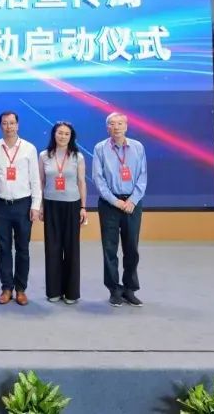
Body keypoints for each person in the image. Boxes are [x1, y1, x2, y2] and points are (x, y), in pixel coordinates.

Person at [92, 112, 147, 307]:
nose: (116, 127)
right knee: (110, 249)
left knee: (131, 248)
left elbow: (142, 176)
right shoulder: (100, 148)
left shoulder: (138, 147)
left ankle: (130, 289)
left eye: (120, 123)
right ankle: (114, 289)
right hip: (109, 204)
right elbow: (98, 179)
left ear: (126, 126)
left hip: (132, 204)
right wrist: (115, 201)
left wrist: (132, 200)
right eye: (112, 124)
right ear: (107, 128)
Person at [0, 111, 40, 306]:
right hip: (0, 205)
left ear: (17, 125)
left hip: (23, 205)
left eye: (12, 123)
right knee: (4, 249)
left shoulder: (29, 148)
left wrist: (35, 205)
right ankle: (6, 288)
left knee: (22, 248)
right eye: (5, 123)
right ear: (0, 125)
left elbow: (35, 179)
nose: (8, 126)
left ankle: (21, 289)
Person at [37, 121, 87, 305]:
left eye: (67, 134)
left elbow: (81, 182)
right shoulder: (44, 155)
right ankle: (54, 290)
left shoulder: (77, 156)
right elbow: (41, 181)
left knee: (71, 249)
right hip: (51, 205)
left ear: (71, 136)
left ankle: (71, 292)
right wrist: (40, 205)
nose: (63, 136)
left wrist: (83, 207)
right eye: (60, 133)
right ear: (54, 134)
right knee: (52, 248)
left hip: (72, 205)